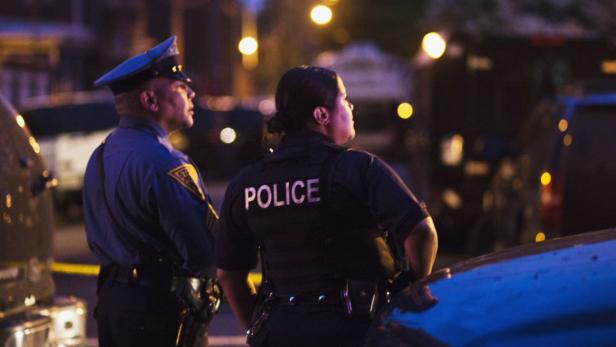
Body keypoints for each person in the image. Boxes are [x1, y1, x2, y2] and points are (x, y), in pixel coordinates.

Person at [215, 66, 438, 347]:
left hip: (279, 330)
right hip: (354, 329)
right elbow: (421, 232)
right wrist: (410, 288)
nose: (350, 106)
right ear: (321, 115)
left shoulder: (245, 184)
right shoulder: (357, 168)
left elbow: (228, 274)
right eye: (344, 100)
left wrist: (258, 329)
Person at [83, 36, 219, 347]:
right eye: (180, 87)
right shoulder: (165, 162)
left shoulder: (101, 155)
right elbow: (204, 252)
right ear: (150, 101)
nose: (192, 92)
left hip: (114, 303)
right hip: (157, 308)